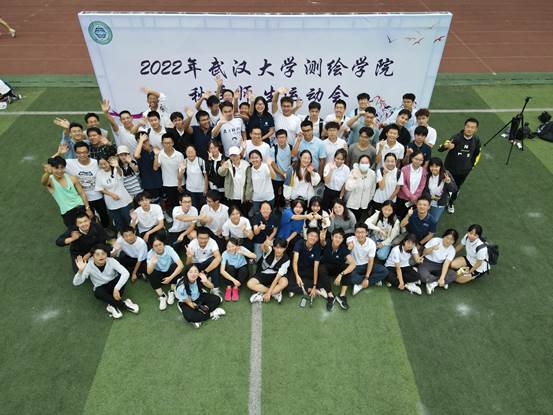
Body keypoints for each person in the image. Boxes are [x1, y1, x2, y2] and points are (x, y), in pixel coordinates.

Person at [73, 244, 139, 319]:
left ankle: (112, 305)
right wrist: (80, 271)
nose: (101, 256)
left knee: (121, 276)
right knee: (97, 292)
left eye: (103, 254)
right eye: (97, 254)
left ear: (106, 255)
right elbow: (76, 283)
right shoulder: (88, 266)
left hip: (114, 283)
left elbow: (126, 273)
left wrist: (116, 288)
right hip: (102, 287)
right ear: (93, 257)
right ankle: (123, 305)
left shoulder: (111, 261)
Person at [64, 141, 111, 228]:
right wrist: (59, 153)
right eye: (79, 153)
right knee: (88, 220)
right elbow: (51, 166)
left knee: (104, 215)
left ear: (88, 152)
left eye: (84, 152)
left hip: (98, 195)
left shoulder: (96, 163)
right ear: (75, 153)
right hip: (82, 198)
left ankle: (106, 228)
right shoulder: (70, 163)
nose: (82, 155)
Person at [442, 118, 481, 214]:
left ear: (476, 129)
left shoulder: (476, 140)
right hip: (449, 170)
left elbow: (477, 154)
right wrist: (446, 146)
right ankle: (441, 200)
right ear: (464, 127)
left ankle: (451, 203)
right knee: (444, 185)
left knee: (456, 188)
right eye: (468, 126)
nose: (469, 129)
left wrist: (472, 166)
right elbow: (442, 147)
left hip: (463, 172)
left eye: (472, 127)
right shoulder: (456, 137)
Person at [41, 156, 90, 228]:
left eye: (62, 168)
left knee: (90, 228)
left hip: (81, 207)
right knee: (75, 233)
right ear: (52, 168)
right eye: (56, 168)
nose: (60, 171)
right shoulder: (50, 181)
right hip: (68, 213)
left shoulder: (72, 178)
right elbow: (43, 182)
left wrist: (88, 208)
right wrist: (47, 173)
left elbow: (82, 193)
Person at [175, 264, 225, 328]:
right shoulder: (181, 287)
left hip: (198, 296)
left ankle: (199, 318)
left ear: (198, 272)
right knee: (190, 317)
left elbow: (212, 286)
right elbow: (189, 303)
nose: (193, 274)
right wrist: (200, 308)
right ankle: (212, 313)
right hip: (186, 302)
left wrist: (206, 281)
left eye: (196, 271)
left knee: (218, 299)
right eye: (190, 272)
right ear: (186, 273)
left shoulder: (198, 277)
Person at [319, 228, 357, 311]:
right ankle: (330, 295)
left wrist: (341, 274)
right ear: (332, 237)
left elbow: (353, 264)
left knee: (347, 268)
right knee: (321, 268)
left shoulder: (343, 248)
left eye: (340, 238)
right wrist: (322, 239)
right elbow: (323, 243)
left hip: (338, 269)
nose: (337, 239)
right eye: (336, 237)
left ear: (342, 239)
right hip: (327, 268)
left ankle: (342, 295)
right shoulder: (328, 243)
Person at [347, 223, 389, 296]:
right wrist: (350, 245)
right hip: (355, 266)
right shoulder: (351, 239)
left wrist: (366, 278)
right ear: (355, 232)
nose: (360, 235)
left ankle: (361, 285)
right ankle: (374, 279)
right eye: (358, 232)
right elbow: (348, 242)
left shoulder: (371, 243)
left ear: (366, 233)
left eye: (362, 232)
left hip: (367, 264)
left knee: (384, 271)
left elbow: (370, 261)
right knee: (351, 278)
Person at [95, 156, 133, 233]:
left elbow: (121, 174)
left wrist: (117, 166)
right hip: (111, 202)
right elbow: (99, 188)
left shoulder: (116, 169)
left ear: (109, 162)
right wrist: (111, 194)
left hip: (123, 200)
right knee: (118, 221)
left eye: (105, 163)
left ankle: (133, 233)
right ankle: (121, 234)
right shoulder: (99, 173)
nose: (103, 166)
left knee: (128, 219)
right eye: (101, 164)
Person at [146, 235, 184, 311]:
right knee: (151, 272)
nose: (158, 247)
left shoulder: (169, 249)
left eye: (160, 244)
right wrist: (152, 264)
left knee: (175, 266)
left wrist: (170, 278)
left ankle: (172, 291)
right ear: (152, 247)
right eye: (155, 246)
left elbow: (181, 265)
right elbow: (148, 272)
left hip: (170, 273)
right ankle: (162, 296)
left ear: (163, 244)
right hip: (159, 275)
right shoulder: (150, 254)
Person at [248, 238, 290, 304]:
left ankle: (261, 295)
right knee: (250, 284)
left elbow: (277, 278)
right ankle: (275, 292)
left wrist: (268, 293)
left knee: (285, 282)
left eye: (282, 248)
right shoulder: (270, 250)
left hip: (275, 275)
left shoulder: (286, 260)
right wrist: (266, 243)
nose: (279, 250)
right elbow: (265, 247)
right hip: (263, 273)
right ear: (274, 247)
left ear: (285, 248)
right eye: (277, 247)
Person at [419, 228, 459, 294]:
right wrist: (432, 248)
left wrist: (442, 278)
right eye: (447, 237)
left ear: (454, 241)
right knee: (424, 277)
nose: (448, 241)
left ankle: (433, 283)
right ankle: (439, 281)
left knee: (453, 274)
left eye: (451, 239)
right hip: (426, 262)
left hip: (439, 266)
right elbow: (424, 252)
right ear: (444, 236)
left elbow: (446, 264)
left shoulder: (452, 250)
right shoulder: (435, 240)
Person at [186, 227, 222, 297]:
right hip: (196, 264)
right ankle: (201, 287)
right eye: (201, 238)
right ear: (197, 237)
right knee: (190, 270)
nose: (203, 241)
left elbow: (218, 258)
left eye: (205, 238)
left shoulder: (212, 242)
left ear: (209, 238)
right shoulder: (192, 244)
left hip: (208, 263)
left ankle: (215, 288)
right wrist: (189, 256)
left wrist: (205, 272)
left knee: (214, 261)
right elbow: (188, 265)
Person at [153, 133, 184, 212]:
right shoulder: (160, 154)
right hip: (167, 184)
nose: (167, 145)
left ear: (173, 143)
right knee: (173, 205)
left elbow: (181, 170)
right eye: (165, 143)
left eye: (169, 143)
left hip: (179, 184)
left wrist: (179, 184)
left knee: (181, 204)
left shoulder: (179, 155)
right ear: (162, 143)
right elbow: (155, 168)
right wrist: (156, 156)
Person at [288, 228, 322, 299]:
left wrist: (314, 286)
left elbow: (315, 268)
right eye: (311, 235)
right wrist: (297, 276)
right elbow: (295, 262)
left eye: (316, 236)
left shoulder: (317, 247)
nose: (313, 238)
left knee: (319, 282)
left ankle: (297, 288)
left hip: (308, 270)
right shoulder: (299, 243)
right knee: (287, 282)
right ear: (307, 236)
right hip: (297, 268)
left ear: (318, 239)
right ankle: (308, 289)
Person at [217, 146, 252, 211]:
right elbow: (221, 173)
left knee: (243, 213)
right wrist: (223, 167)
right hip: (231, 196)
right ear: (230, 157)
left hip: (242, 197)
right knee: (232, 213)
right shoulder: (227, 163)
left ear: (239, 155)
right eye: (232, 156)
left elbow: (249, 182)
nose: (234, 157)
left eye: (236, 155)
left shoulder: (246, 165)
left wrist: (248, 195)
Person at [396, 151, 428, 219]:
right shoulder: (404, 169)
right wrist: (411, 196)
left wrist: (415, 197)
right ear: (412, 158)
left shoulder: (424, 171)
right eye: (416, 159)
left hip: (415, 200)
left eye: (420, 160)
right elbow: (403, 184)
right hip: (403, 198)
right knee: (399, 215)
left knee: (409, 216)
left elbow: (422, 185)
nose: (418, 161)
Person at [133, 131, 163, 203]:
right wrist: (141, 141)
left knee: (162, 200)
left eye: (146, 140)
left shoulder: (155, 148)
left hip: (159, 180)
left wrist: (156, 154)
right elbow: (136, 155)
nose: (145, 143)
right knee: (152, 202)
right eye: (142, 141)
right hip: (148, 183)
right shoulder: (139, 151)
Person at [425, 157, 457, 222]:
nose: (434, 168)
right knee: (424, 217)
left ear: (440, 167)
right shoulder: (427, 174)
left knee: (433, 220)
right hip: (427, 201)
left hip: (439, 204)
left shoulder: (446, 174)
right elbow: (424, 189)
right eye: (432, 166)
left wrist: (449, 182)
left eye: (436, 166)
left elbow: (454, 189)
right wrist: (429, 197)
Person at [345, 155, 376, 222]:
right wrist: (355, 178)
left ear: (369, 164)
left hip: (364, 204)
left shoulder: (372, 173)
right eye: (362, 163)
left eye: (366, 163)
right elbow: (348, 187)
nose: (364, 164)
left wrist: (369, 199)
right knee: (350, 220)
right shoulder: (354, 171)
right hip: (353, 203)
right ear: (358, 164)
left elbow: (373, 188)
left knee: (359, 221)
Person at [269, 129, 292, 209]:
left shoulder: (291, 147)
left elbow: (295, 161)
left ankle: (285, 211)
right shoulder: (273, 149)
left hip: (288, 178)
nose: (281, 139)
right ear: (276, 139)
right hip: (277, 178)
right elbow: (272, 164)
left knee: (287, 196)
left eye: (283, 137)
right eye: (279, 137)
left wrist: (288, 173)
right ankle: (275, 211)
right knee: (276, 196)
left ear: (286, 138)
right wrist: (282, 174)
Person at [182, 145, 208, 209]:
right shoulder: (184, 162)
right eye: (188, 152)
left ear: (195, 152)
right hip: (190, 190)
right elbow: (180, 176)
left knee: (202, 208)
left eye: (192, 152)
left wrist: (205, 189)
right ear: (185, 153)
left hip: (201, 189)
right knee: (193, 208)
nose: (190, 154)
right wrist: (181, 170)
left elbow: (205, 176)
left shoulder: (201, 161)